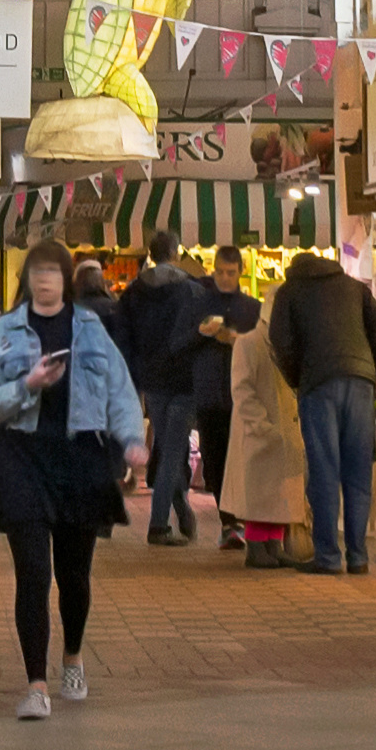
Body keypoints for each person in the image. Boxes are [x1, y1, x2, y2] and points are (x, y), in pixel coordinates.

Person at [0, 248, 143, 719]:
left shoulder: (89, 327)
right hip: (22, 457)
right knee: (33, 575)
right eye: (37, 273)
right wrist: (28, 384)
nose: (45, 282)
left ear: (66, 280)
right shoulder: (6, 330)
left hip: (79, 457)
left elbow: (120, 390)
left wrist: (131, 440)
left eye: (52, 273)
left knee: (74, 578)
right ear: (28, 279)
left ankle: (73, 658)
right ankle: (36, 686)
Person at [271, 243, 376, 574]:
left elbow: (279, 342)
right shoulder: (354, 287)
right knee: (357, 469)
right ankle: (358, 555)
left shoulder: (290, 291)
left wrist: (299, 378)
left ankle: (327, 555)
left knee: (324, 469)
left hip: (318, 385)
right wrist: (368, 366)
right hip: (360, 383)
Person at [117, 231, 214, 546]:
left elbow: (124, 336)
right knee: (172, 450)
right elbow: (204, 333)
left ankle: (181, 508)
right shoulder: (192, 290)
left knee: (168, 447)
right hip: (185, 378)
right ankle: (159, 524)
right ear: (175, 253)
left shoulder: (133, 292)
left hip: (152, 380)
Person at [223, 254, 309, 565]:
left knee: (276, 489)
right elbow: (242, 389)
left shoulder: (282, 343)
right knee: (260, 489)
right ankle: (258, 545)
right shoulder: (249, 342)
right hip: (258, 430)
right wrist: (261, 425)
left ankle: (272, 543)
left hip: (279, 428)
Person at [191, 246, 263, 532]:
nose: (224, 278)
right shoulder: (199, 305)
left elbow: (262, 349)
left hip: (242, 393)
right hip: (209, 392)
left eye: (230, 273)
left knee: (244, 457)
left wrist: (237, 340)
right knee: (214, 458)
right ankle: (228, 521)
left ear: (240, 272)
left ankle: (241, 516)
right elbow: (179, 344)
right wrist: (201, 334)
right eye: (219, 272)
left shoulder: (252, 309)